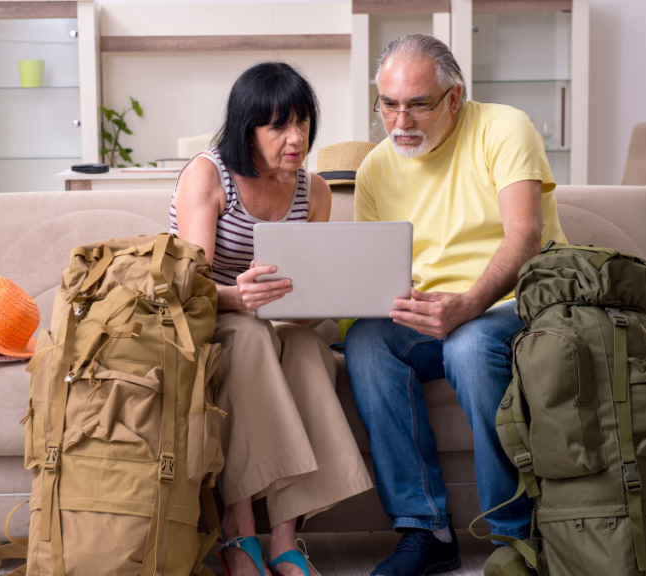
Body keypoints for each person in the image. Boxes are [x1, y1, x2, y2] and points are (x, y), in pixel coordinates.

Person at [344, 35, 568, 576]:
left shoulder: (503, 128)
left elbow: (526, 237)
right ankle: (427, 531)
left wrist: (467, 303)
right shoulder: (376, 167)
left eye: (417, 103)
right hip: (435, 311)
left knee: (469, 345)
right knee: (368, 341)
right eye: (388, 105)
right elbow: (378, 268)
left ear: (453, 97)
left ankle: (514, 536)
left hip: (522, 300)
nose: (401, 121)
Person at [171, 61, 373, 576]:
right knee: (252, 337)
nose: (295, 138)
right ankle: (240, 533)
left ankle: (285, 540)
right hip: (215, 312)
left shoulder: (315, 191)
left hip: (280, 320)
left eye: (302, 123)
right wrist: (239, 299)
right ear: (247, 128)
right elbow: (188, 286)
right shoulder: (208, 174)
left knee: (308, 349)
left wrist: (329, 296)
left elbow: (309, 286)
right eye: (278, 125)